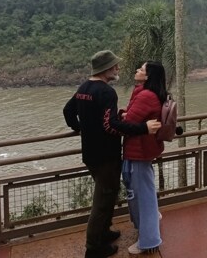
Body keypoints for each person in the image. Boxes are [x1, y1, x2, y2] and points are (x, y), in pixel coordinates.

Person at [63, 50, 161, 258]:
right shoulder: (106, 92)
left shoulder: (83, 88)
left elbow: (68, 111)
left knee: (107, 195)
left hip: (90, 153)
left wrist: (82, 129)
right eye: (115, 66)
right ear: (106, 69)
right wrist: (143, 128)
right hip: (106, 155)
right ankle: (93, 247)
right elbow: (110, 125)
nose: (118, 69)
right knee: (102, 201)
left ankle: (104, 233)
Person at [121, 61, 167, 255]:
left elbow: (128, 121)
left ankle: (149, 241)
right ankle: (150, 223)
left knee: (144, 196)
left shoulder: (147, 95)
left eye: (141, 69)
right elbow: (132, 116)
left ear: (148, 76)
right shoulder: (147, 92)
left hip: (139, 150)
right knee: (145, 190)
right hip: (142, 150)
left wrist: (120, 115)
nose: (137, 70)